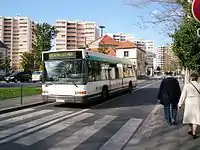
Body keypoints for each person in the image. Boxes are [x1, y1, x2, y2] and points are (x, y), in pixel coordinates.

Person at [178, 73, 200, 139]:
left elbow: (183, 95)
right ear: (197, 78)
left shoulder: (187, 85)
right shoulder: (199, 85)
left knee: (189, 115)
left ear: (191, 78)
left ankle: (190, 129)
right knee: (196, 116)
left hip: (189, 101)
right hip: (197, 101)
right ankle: (194, 133)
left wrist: (180, 104)